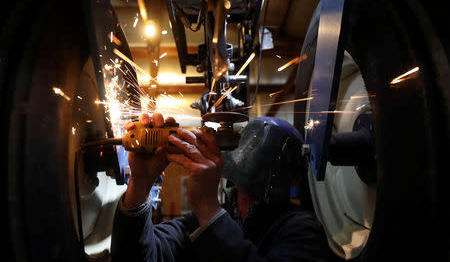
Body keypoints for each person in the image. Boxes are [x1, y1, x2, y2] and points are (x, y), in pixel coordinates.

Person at [111, 112, 332, 261]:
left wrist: (208, 208)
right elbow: (135, 257)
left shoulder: (303, 231)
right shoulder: (198, 225)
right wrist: (140, 185)